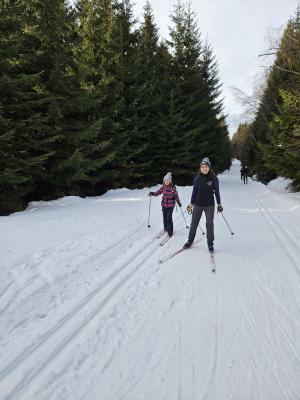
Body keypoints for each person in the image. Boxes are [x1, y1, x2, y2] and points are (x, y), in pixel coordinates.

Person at [183, 158, 223, 253]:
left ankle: (210, 243)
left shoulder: (214, 178)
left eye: (206, 167)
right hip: (198, 204)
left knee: (209, 224)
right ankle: (190, 241)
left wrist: (219, 204)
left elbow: (217, 192)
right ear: (200, 168)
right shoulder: (197, 179)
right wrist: (191, 203)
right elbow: (194, 192)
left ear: (209, 167)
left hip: (210, 205)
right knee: (194, 223)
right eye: (202, 167)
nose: (204, 168)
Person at [149, 172, 182, 237]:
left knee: (169, 218)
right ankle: (166, 228)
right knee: (165, 217)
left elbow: (176, 196)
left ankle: (170, 231)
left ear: (170, 181)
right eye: (165, 180)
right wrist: (152, 193)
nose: (166, 182)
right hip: (164, 205)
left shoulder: (173, 188)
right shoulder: (163, 187)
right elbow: (158, 192)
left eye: (168, 180)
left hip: (171, 205)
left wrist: (178, 202)